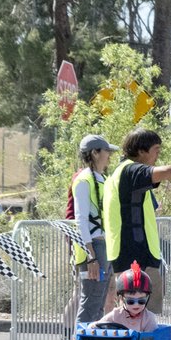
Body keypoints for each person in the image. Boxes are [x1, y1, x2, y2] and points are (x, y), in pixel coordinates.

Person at [102, 128, 171, 314]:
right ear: (141, 151)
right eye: (156, 149)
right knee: (144, 308)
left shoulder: (122, 172)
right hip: (134, 253)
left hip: (129, 251)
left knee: (134, 309)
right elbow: (162, 172)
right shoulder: (131, 170)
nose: (158, 154)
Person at [70, 134, 118, 324]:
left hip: (104, 246)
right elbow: (80, 220)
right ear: (95, 153)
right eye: (107, 151)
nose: (109, 156)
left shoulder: (102, 178)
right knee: (91, 302)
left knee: (98, 303)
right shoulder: (84, 180)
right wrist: (91, 256)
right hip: (94, 248)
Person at [96, 261, 158, 332]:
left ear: (147, 299)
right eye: (130, 301)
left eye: (141, 301)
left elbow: (153, 338)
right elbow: (96, 326)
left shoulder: (148, 318)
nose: (136, 304)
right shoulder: (116, 315)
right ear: (121, 298)